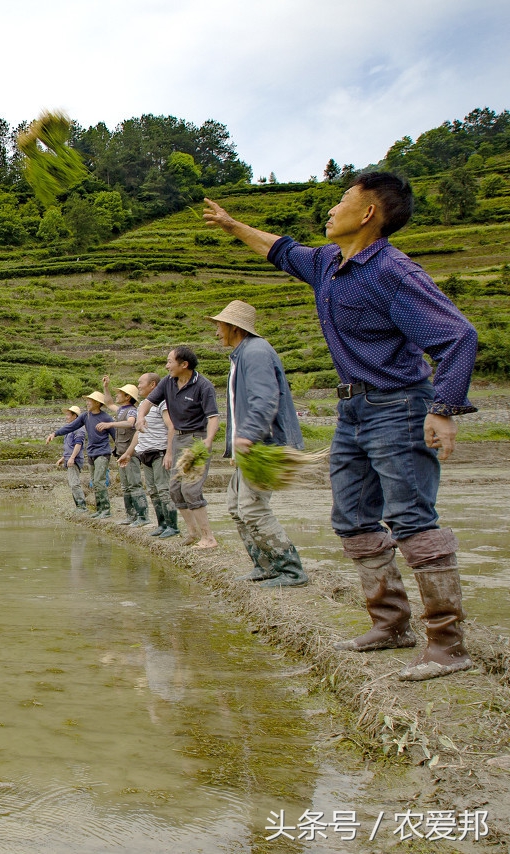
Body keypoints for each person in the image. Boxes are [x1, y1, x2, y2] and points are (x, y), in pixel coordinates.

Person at [202, 172, 479, 681]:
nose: (331, 211)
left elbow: (458, 337)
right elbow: (280, 250)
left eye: (341, 201)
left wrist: (443, 408)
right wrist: (232, 224)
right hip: (352, 409)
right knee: (351, 518)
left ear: (368, 212)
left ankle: (447, 643)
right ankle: (391, 623)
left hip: (399, 406)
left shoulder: (393, 272)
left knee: (413, 519)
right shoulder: (330, 264)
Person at [209, 300, 307, 588]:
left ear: (233, 327)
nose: (216, 332)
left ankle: (290, 570)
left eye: (219, 325)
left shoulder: (255, 353)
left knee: (252, 508)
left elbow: (265, 400)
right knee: (236, 507)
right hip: (253, 446)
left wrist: (247, 436)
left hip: (265, 444)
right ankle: (264, 565)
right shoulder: (243, 354)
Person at [136, 347, 219, 548]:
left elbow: (213, 417)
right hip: (178, 440)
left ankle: (208, 537)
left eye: (170, 362)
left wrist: (208, 440)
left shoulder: (203, 386)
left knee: (190, 488)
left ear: (184, 365)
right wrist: (140, 417)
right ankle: (192, 533)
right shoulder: (168, 382)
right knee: (175, 490)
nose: (167, 366)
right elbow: (147, 402)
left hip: (196, 440)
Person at [119, 372, 179, 538]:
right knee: (153, 490)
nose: (138, 386)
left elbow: (171, 427)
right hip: (145, 453)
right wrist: (129, 453)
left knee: (163, 489)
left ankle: (172, 526)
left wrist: (169, 453)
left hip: (159, 452)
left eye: (141, 383)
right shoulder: (142, 406)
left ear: (153, 385)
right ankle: (162, 525)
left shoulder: (162, 403)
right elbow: (139, 433)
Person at [99, 382, 148, 525]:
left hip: (130, 453)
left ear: (127, 397)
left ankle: (143, 517)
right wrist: (106, 387)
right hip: (121, 452)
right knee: (126, 486)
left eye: (119, 393)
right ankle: (131, 516)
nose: (117, 395)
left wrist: (110, 424)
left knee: (134, 484)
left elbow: (130, 423)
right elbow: (108, 402)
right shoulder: (121, 410)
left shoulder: (132, 411)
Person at [78, 391, 116, 517]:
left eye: (89, 400)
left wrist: (121, 452)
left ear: (97, 403)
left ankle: (106, 510)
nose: (87, 403)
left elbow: (115, 435)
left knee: (99, 481)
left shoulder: (106, 418)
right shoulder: (85, 416)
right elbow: (71, 426)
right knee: (94, 481)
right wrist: (55, 433)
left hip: (103, 453)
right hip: (91, 453)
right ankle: (99, 509)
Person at [54, 405, 88, 509]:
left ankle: (82, 507)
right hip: (70, 459)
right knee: (72, 483)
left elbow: (78, 444)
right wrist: (63, 458)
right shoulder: (70, 430)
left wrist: (72, 458)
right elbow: (69, 447)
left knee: (74, 484)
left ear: (75, 416)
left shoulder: (79, 429)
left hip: (75, 460)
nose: (66, 417)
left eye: (68, 415)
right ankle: (79, 506)